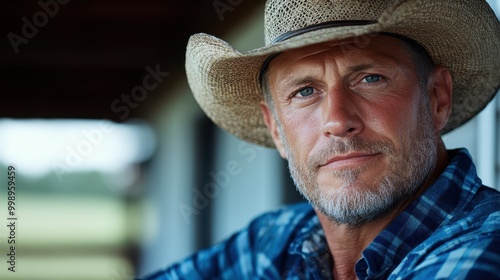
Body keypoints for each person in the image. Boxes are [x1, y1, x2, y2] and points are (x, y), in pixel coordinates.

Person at [141, 0, 500, 279]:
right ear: (276, 128)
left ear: (437, 98)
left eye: (370, 78)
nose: (338, 121)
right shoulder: (277, 239)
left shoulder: (484, 250)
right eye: (305, 90)